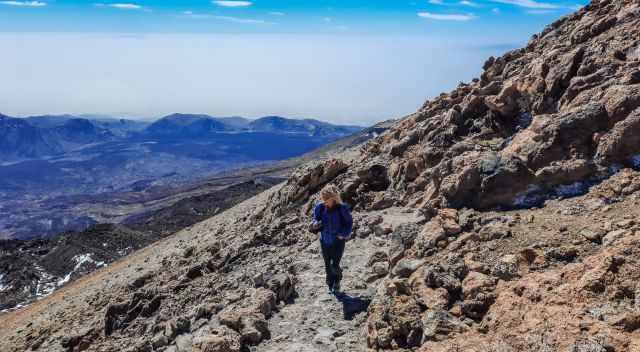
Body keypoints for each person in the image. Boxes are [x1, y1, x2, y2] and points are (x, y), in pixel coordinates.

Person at [311, 184, 353, 294]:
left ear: (333, 198)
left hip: (338, 241)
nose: (324, 201)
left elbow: (348, 224)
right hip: (324, 240)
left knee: (334, 264)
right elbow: (315, 218)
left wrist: (342, 234)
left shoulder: (342, 208)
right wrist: (314, 224)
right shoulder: (319, 207)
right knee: (327, 263)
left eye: (326, 199)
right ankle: (330, 282)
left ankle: (337, 280)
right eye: (323, 198)